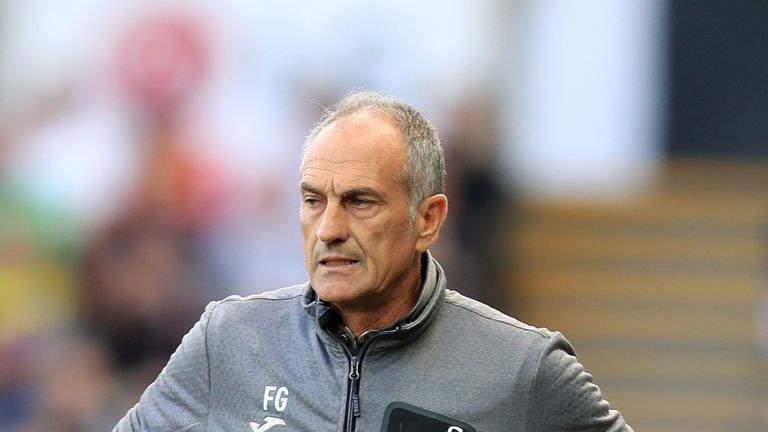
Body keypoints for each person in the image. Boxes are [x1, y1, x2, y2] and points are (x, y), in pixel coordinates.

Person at [114, 90, 633, 431]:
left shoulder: (523, 370)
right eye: (313, 200)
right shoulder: (227, 339)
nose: (330, 229)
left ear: (427, 219)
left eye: (360, 202)